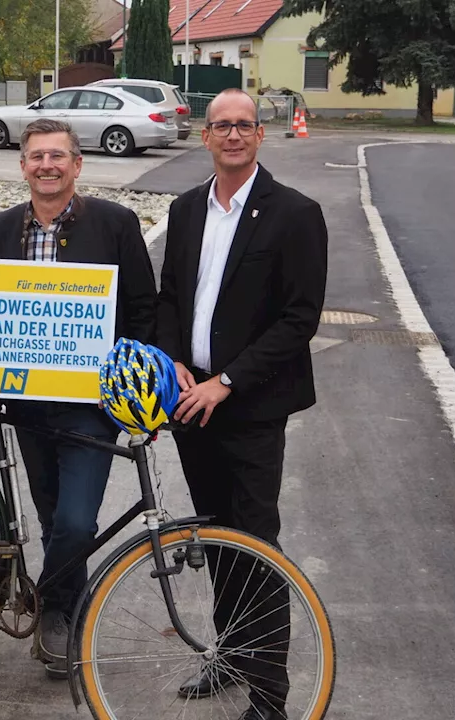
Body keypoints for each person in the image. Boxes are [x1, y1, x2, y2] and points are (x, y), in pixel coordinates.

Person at [155, 89, 328, 720]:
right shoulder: (185, 210)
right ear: (205, 136)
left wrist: (225, 381)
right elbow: (171, 295)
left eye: (244, 126)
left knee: (256, 543)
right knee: (219, 538)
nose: (233, 135)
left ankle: (269, 697)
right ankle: (229, 657)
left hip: (249, 404)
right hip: (190, 401)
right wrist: (172, 359)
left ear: (261, 135)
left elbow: (299, 318)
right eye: (221, 126)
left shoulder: (294, 213)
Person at [0, 118, 157, 678]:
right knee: (53, 513)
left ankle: (52, 604)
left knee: (77, 522)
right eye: (36, 157)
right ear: (23, 165)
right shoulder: (1, 228)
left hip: (89, 404)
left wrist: (138, 388)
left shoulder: (116, 223)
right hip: (26, 403)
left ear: (77, 165)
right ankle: (65, 619)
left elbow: (144, 311)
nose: (47, 165)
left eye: (58, 156)